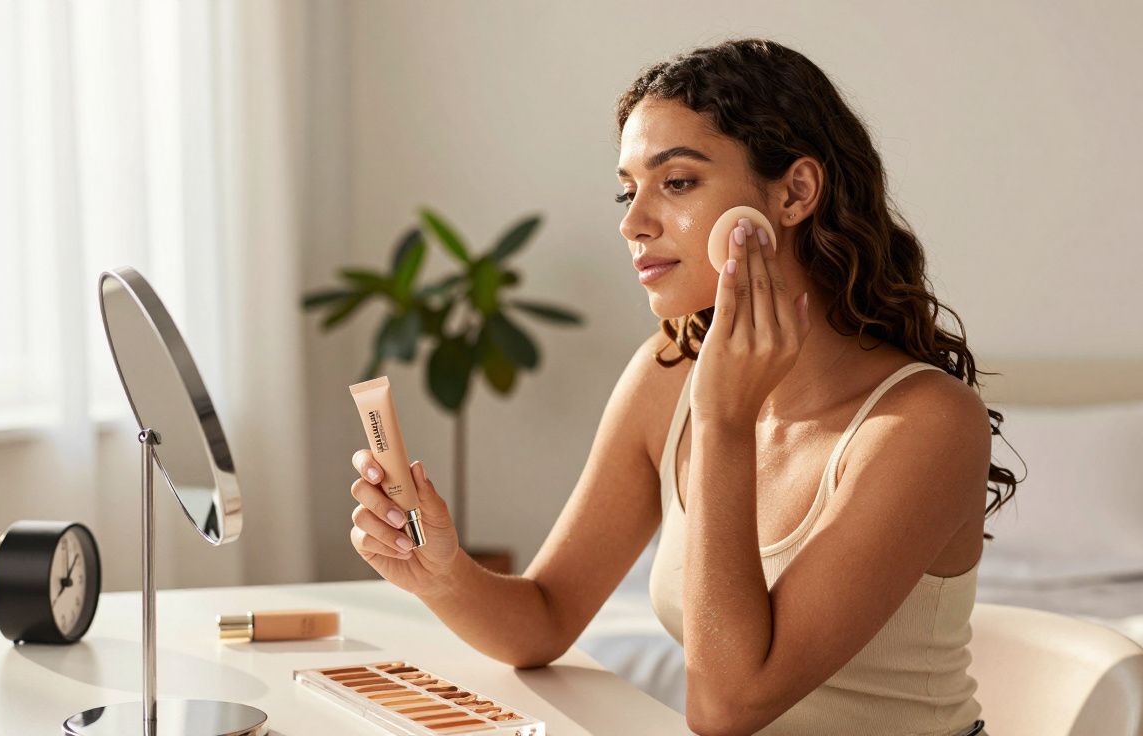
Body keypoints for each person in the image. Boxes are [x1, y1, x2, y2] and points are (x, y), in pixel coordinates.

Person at [347, 37, 1015, 736]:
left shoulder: (925, 423)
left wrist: (724, 421)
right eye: (627, 189)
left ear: (794, 193)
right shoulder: (665, 377)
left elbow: (727, 707)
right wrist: (442, 572)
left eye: (678, 182)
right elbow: (545, 617)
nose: (632, 224)